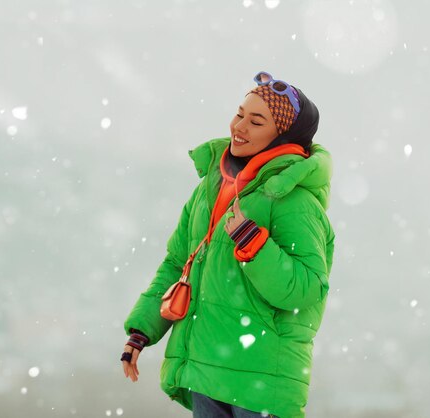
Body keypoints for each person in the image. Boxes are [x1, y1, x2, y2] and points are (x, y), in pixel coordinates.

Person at [121, 71, 335, 418]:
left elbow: (306, 290)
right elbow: (178, 264)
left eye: (256, 121)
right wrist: (141, 331)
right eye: (239, 114)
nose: (239, 127)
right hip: (206, 373)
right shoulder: (210, 188)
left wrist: (253, 243)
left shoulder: (295, 201)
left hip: (261, 384)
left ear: (282, 136)